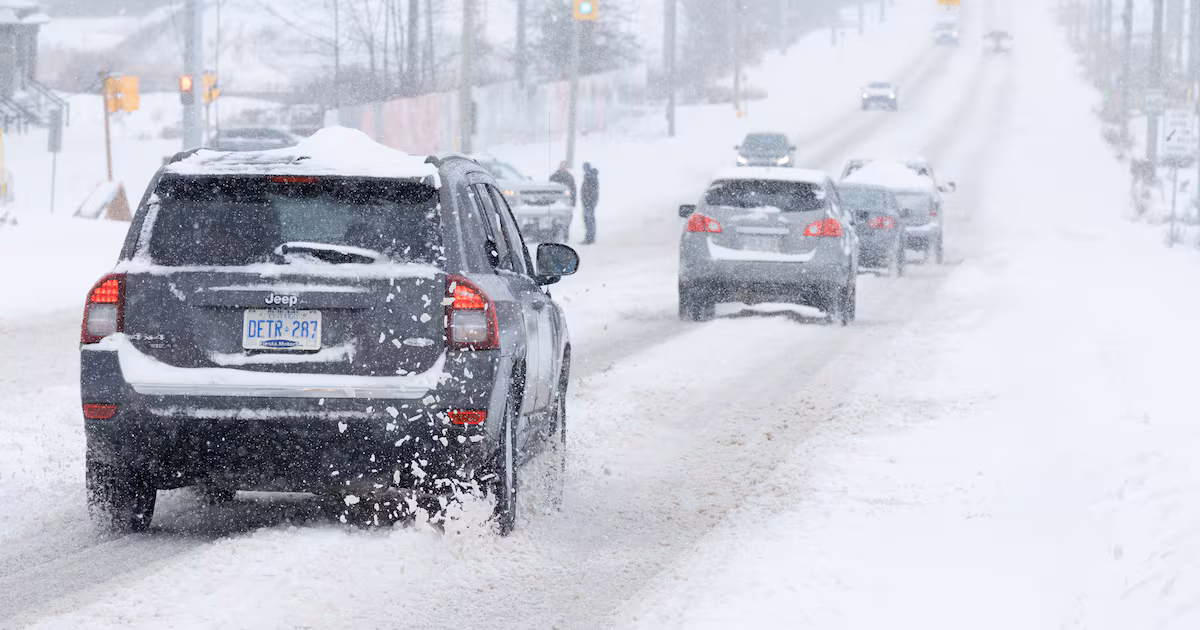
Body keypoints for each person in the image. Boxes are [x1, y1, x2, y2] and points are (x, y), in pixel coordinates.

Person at [581, 162, 599, 245]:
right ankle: (590, 237)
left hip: (589, 203)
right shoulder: (590, 176)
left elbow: (591, 191)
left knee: (589, 220)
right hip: (588, 202)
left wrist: (588, 201)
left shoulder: (590, 177)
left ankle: (589, 238)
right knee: (589, 220)